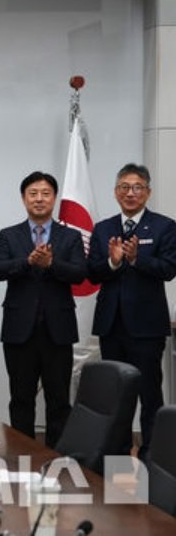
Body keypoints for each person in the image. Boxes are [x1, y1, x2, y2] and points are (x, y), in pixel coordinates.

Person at [87, 163, 176, 460]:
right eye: (124, 187)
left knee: (149, 394)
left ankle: (153, 459)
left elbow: (168, 269)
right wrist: (113, 263)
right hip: (111, 326)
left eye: (137, 187)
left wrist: (137, 259)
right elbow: (93, 273)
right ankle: (118, 459)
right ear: (115, 193)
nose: (130, 193)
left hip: (147, 328)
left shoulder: (164, 226)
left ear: (148, 192)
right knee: (116, 395)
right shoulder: (103, 228)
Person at [0, 171, 86, 447]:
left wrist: (51, 264)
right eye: (33, 193)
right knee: (21, 398)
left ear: (54, 198)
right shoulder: (9, 235)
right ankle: (23, 454)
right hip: (19, 330)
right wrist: (28, 262)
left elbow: (80, 273)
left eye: (45, 193)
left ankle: (55, 457)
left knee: (59, 400)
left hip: (58, 330)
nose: (39, 199)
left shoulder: (70, 236)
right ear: (23, 198)